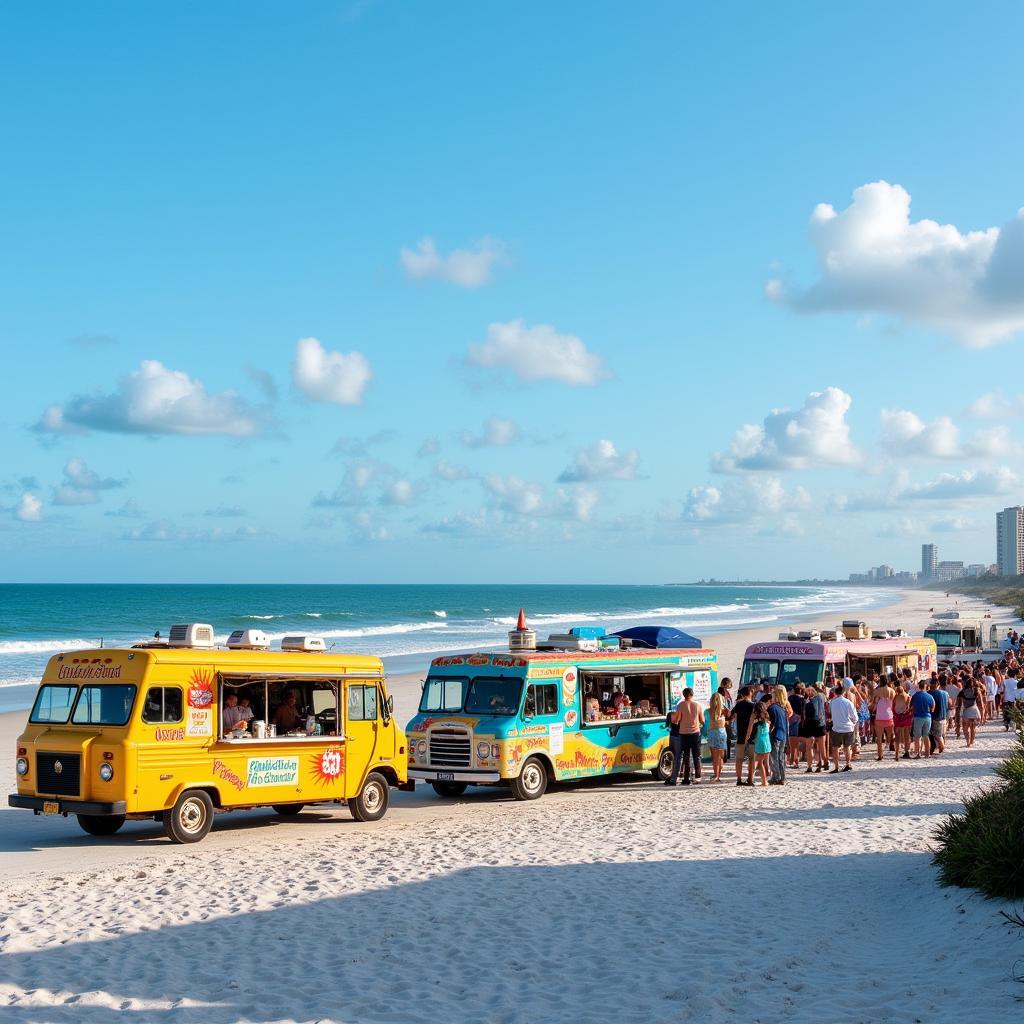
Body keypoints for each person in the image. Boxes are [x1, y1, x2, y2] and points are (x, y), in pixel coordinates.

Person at [666, 687, 704, 786]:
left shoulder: (681, 705)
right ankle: (698, 777)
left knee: (686, 756)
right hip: (695, 733)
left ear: (684, 695)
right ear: (692, 694)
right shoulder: (697, 705)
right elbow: (702, 720)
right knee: (696, 756)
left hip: (684, 733)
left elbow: (677, 719)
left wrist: (673, 720)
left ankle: (686, 778)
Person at [828, 684, 857, 773]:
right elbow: (854, 716)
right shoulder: (848, 702)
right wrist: (853, 722)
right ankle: (848, 764)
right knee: (847, 747)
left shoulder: (832, 702)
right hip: (848, 727)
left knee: (835, 747)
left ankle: (836, 766)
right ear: (843, 693)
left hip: (836, 728)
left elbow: (830, 712)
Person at [732, 686, 757, 787]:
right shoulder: (754, 705)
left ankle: (739, 779)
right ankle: (750, 779)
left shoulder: (739, 704)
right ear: (750, 693)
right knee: (752, 759)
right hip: (752, 736)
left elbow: (731, 715)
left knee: (739, 759)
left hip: (741, 735)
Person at [802, 683, 828, 773]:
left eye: (809, 690)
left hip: (814, 723)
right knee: (815, 746)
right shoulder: (815, 698)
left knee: (816, 746)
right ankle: (816, 764)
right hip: (817, 724)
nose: (808, 692)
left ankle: (820, 763)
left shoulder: (816, 698)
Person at [746, 700, 771, 788]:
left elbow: (749, 729)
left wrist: (747, 739)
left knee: (759, 763)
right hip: (767, 740)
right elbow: (770, 726)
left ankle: (764, 781)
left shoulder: (754, 716)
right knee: (763, 762)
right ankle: (764, 780)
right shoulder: (767, 716)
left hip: (759, 741)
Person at [768, 685, 790, 785]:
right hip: (783, 735)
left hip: (775, 734)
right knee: (781, 757)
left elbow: (771, 723)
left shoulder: (772, 708)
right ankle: (782, 777)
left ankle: (776, 777)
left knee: (774, 757)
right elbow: (786, 725)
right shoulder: (783, 709)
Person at [909, 681, 935, 759]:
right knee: (926, 735)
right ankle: (927, 753)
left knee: (917, 737)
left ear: (919, 687)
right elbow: (933, 708)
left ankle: (918, 753)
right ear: (925, 687)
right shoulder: (930, 696)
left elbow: (911, 707)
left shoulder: (915, 696)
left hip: (918, 717)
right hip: (927, 717)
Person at [706, 691, 728, 782]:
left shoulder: (708, 711)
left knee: (714, 757)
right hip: (721, 732)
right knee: (720, 756)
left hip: (712, 732)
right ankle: (718, 775)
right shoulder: (724, 711)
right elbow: (730, 714)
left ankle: (716, 775)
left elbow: (705, 723)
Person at [957, 677, 982, 747]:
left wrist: (958, 712)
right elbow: (980, 703)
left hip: (967, 710)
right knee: (973, 728)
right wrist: (982, 713)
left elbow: (958, 703)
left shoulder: (962, 691)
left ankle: (968, 742)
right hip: (975, 710)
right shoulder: (976, 690)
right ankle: (972, 741)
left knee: (965, 727)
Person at [892, 681, 913, 760]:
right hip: (906, 717)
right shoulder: (908, 696)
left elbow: (893, 708)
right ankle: (906, 751)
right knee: (907, 736)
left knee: (897, 737)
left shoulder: (895, 698)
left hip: (898, 718)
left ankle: (896, 754)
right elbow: (910, 708)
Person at [787, 683, 806, 768]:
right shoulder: (803, 700)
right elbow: (803, 712)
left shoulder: (790, 698)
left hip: (791, 719)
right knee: (797, 742)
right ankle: (795, 760)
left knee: (791, 741)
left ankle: (792, 759)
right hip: (800, 721)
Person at [928, 678, 948, 754]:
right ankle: (940, 748)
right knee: (941, 734)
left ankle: (941, 748)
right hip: (943, 716)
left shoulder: (930, 693)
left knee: (937, 735)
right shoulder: (945, 693)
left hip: (935, 716)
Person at [717, 678, 734, 763]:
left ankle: (726, 755)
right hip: (726, 718)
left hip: (726, 717)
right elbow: (726, 706)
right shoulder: (723, 692)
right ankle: (725, 756)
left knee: (726, 737)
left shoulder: (723, 692)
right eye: (729, 685)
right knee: (726, 737)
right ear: (726, 684)